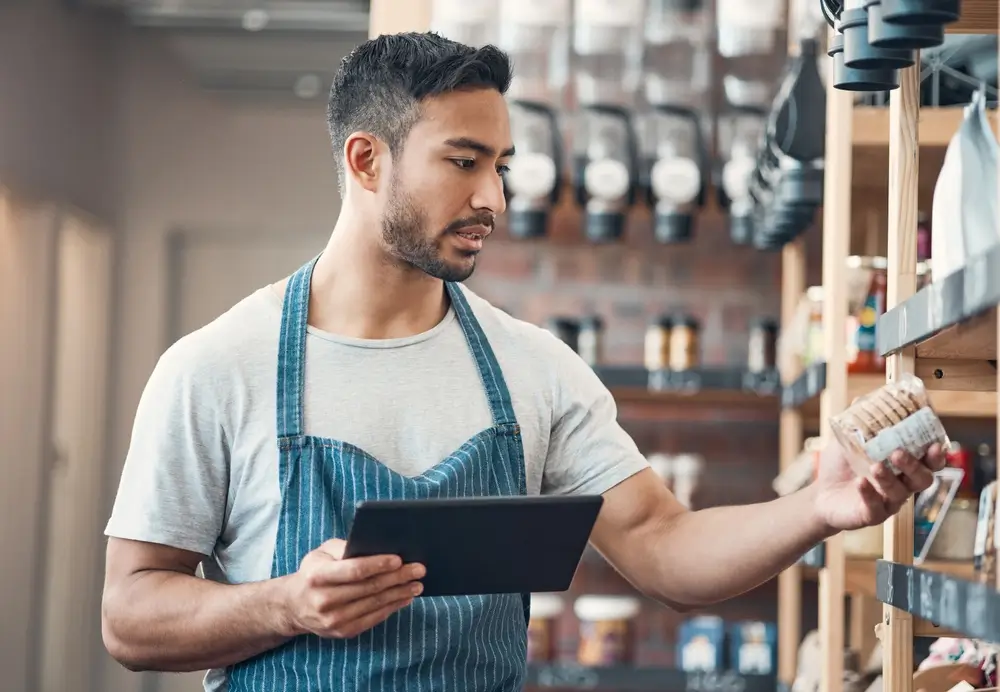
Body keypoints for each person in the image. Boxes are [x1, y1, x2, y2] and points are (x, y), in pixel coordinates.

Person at [100, 31, 945, 692]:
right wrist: (285, 603)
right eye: (463, 162)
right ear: (366, 160)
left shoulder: (533, 369)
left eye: (500, 167)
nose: (494, 199)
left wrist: (818, 509)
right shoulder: (217, 368)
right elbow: (130, 614)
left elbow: (665, 545)